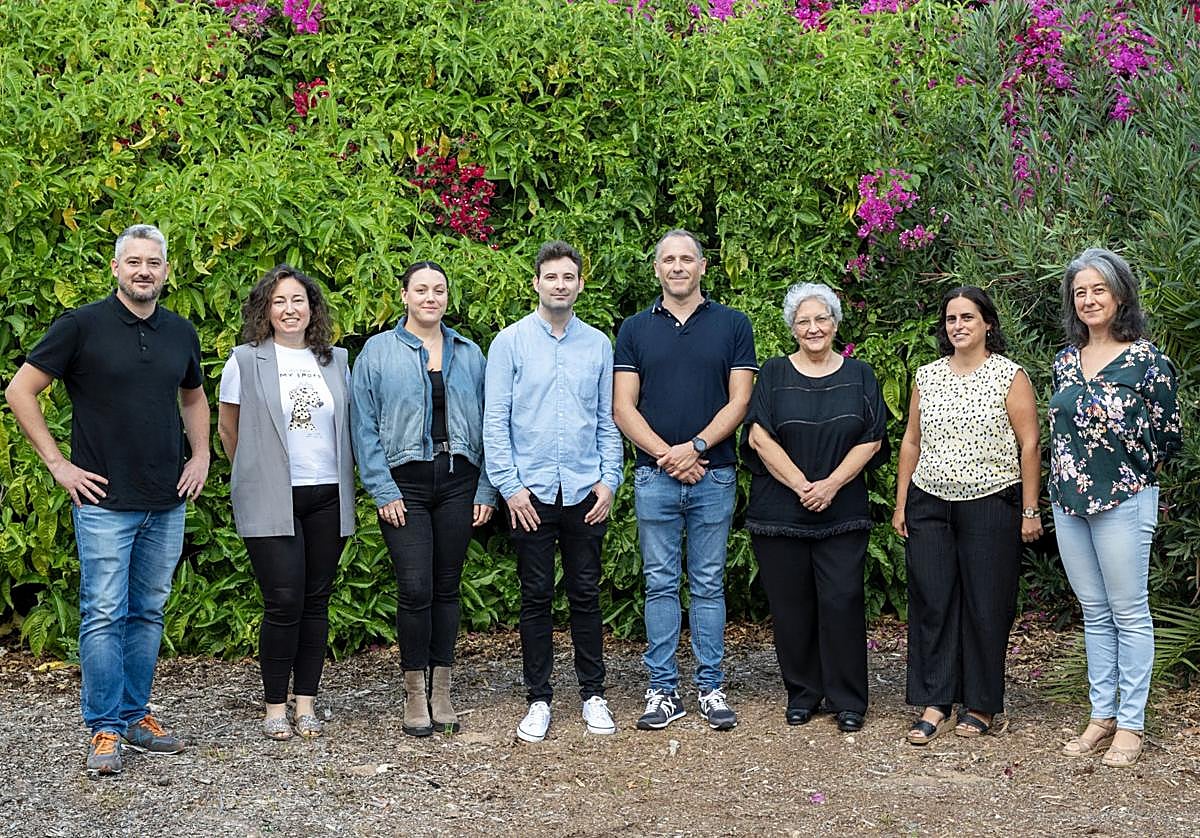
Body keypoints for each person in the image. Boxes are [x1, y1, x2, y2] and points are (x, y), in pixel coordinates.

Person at [4, 224, 209, 775]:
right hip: (102, 502)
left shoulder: (180, 331)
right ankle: (104, 728)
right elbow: (20, 391)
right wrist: (58, 465)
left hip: (166, 499)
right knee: (103, 613)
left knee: (148, 611)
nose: (144, 271)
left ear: (166, 272)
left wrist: (201, 455)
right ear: (116, 268)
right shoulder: (80, 326)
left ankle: (136, 716)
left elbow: (193, 397)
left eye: (154, 263)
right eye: (134, 262)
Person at [613, 229, 757, 732]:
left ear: (702, 267)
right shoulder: (634, 328)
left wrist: (694, 447)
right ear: (657, 269)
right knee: (659, 584)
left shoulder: (733, 324)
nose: (677, 267)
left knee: (709, 584)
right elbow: (622, 407)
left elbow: (740, 401)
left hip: (713, 476)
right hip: (654, 477)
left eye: (686, 259)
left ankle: (711, 687)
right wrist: (667, 455)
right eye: (668, 260)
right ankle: (662, 690)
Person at [484, 241, 624, 743]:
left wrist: (610, 479)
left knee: (586, 594)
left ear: (580, 284)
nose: (560, 284)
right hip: (530, 495)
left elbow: (607, 419)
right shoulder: (510, 343)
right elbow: (495, 422)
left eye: (568, 277)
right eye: (551, 277)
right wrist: (510, 488)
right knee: (536, 596)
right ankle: (539, 699)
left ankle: (593, 695)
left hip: (585, 490)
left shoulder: (598, 345)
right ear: (536, 283)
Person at [351, 261, 496, 737]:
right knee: (415, 587)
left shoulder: (469, 353)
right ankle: (414, 691)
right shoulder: (377, 352)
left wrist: (486, 488)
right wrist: (382, 488)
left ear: (447, 297)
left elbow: (491, 424)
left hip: (459, 480)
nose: (430, 298)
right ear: (404, 296)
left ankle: (442, 690)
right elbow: (363, 426)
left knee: (447, 586)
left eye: (439, 290)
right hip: (404, 485)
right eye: (421, 290)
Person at [892, 286, 1042, 745]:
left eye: (968, 317)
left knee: (985, 605)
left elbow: (1030, 444)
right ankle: (935, 702)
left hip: (991, 502)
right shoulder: (927, 376)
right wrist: (901, 503)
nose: (958, 326)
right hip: (930, 502)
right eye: (951, 318)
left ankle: (980, 704)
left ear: (988, 324)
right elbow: (911, 441)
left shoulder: (1009, 376)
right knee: (932, 602)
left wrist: (1030, 509)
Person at [1050, 248, 1180, 768]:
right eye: (1079, 292)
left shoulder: (1147, 360)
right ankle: (1101, 715)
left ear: (1120, 295)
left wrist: (1127, 473)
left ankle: (1131, 724)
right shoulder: (1065, 360)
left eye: (1098, 289)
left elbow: (1168, 435)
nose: (1088, 299)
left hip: (1124, 499)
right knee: (1095, 612)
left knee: (1129, 612)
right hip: (1068, 502)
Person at [217, 266, 355, 740]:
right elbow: (228, 429)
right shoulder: (244, 361)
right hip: (271, 496)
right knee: (283, 601)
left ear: (312, 308)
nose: (290, 309)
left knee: (316, 601)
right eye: (279, 301)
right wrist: (258, 474)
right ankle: (275, 705)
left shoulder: (335, 360)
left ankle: (307, 703)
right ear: (266, 309)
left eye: (298, 300)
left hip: (328, 494)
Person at [742, 283, 887, 733]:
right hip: (780, 512)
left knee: (842, 601)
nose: (813, 328)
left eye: (821, 318)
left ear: (835, 323)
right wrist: (803, 485)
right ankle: (803, 693)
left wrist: (831, 485)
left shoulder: (860, 374)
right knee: (791, 607)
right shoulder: (773, 373)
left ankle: (848, 699)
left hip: (842, 511)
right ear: (793, 329)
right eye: (803, 321)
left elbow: (872, 438)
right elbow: (759, 436)